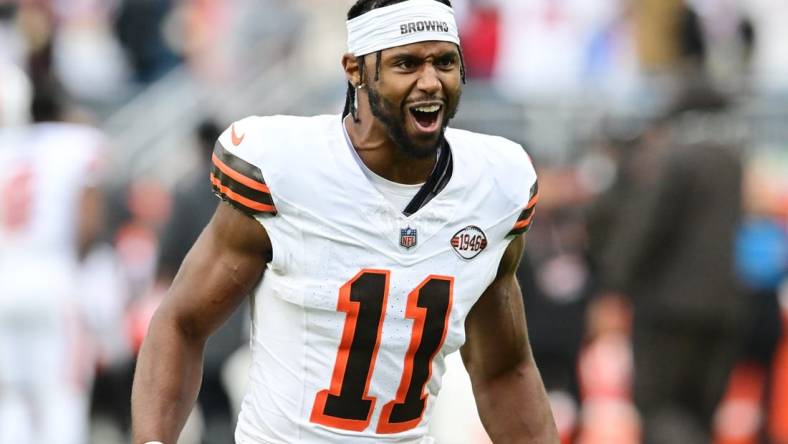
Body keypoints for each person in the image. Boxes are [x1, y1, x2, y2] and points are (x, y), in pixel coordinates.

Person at [131, 0, 558, 443]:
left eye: (445, 62)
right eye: (406, 63)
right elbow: (182, 323)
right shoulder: (287, 169)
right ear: (355, 69)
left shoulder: (492, 185)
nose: (430, 82)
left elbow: (504, 370)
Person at [595, 86, 749, 444]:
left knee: (662, 410)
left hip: (668, 308)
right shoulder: (732, 162)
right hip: (724, 308)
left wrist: (614, 285)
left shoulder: (674, 158)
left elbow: (646, 228)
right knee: (701, 413)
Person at [0, 82, 107, 444]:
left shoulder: (8, 148)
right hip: (53, 277)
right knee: (63, 393)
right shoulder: (75, 144)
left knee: (12, 397)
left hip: (5, 277)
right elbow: (88, 223)